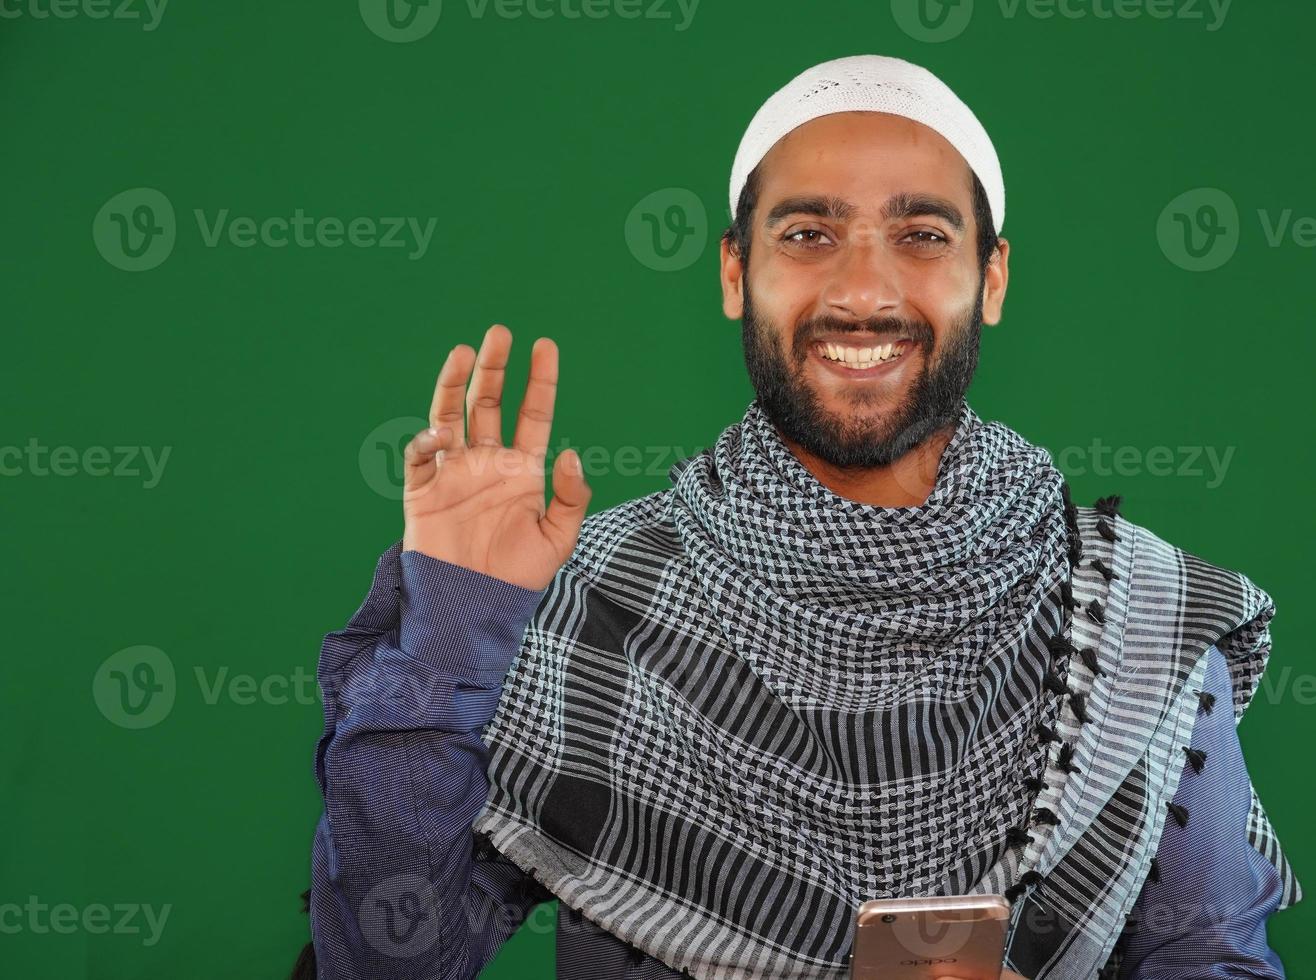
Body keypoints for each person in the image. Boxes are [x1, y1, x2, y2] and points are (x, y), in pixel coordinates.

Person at [293, 55, 1302, 979]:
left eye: (920, 234)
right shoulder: (581, 601)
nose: (862, 290)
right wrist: (452, 626)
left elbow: (1209, 956)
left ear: (988, 278)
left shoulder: (1127, 619)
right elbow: (382, 959)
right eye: (808, 233)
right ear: (736, 272)